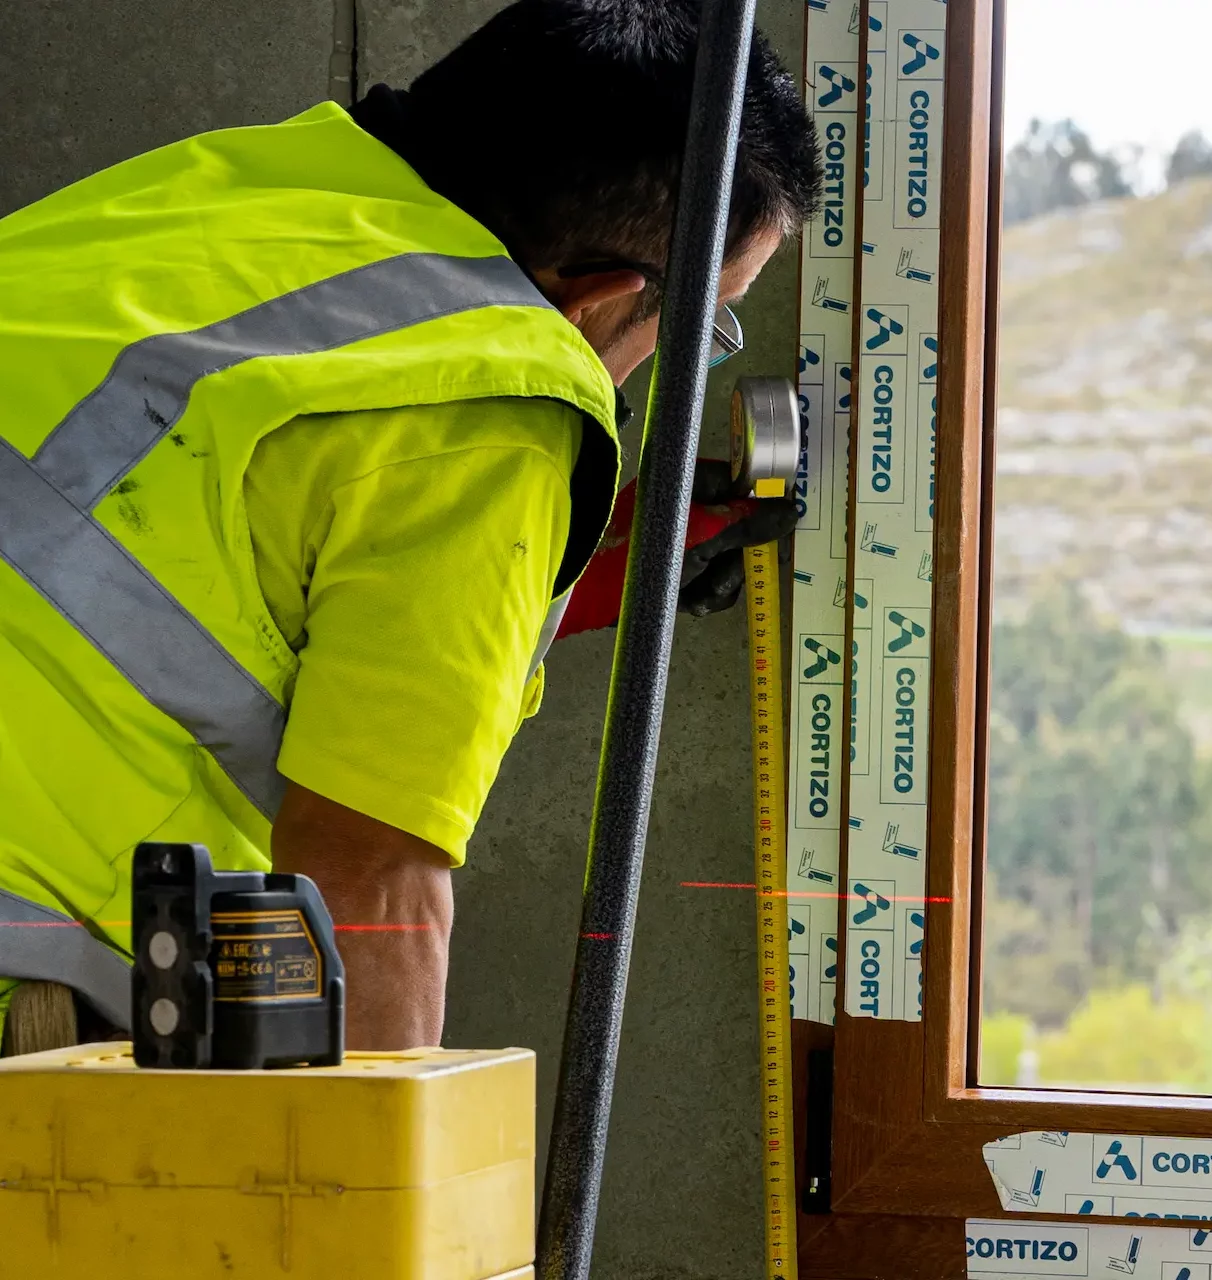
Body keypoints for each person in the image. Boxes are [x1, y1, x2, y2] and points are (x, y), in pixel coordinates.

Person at [0, 0, 820, 1054]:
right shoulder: (499, 407)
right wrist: (391, 1207)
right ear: (605, 297)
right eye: (702, 325)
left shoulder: (213, 190)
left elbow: (147, 558)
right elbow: (370, 877)